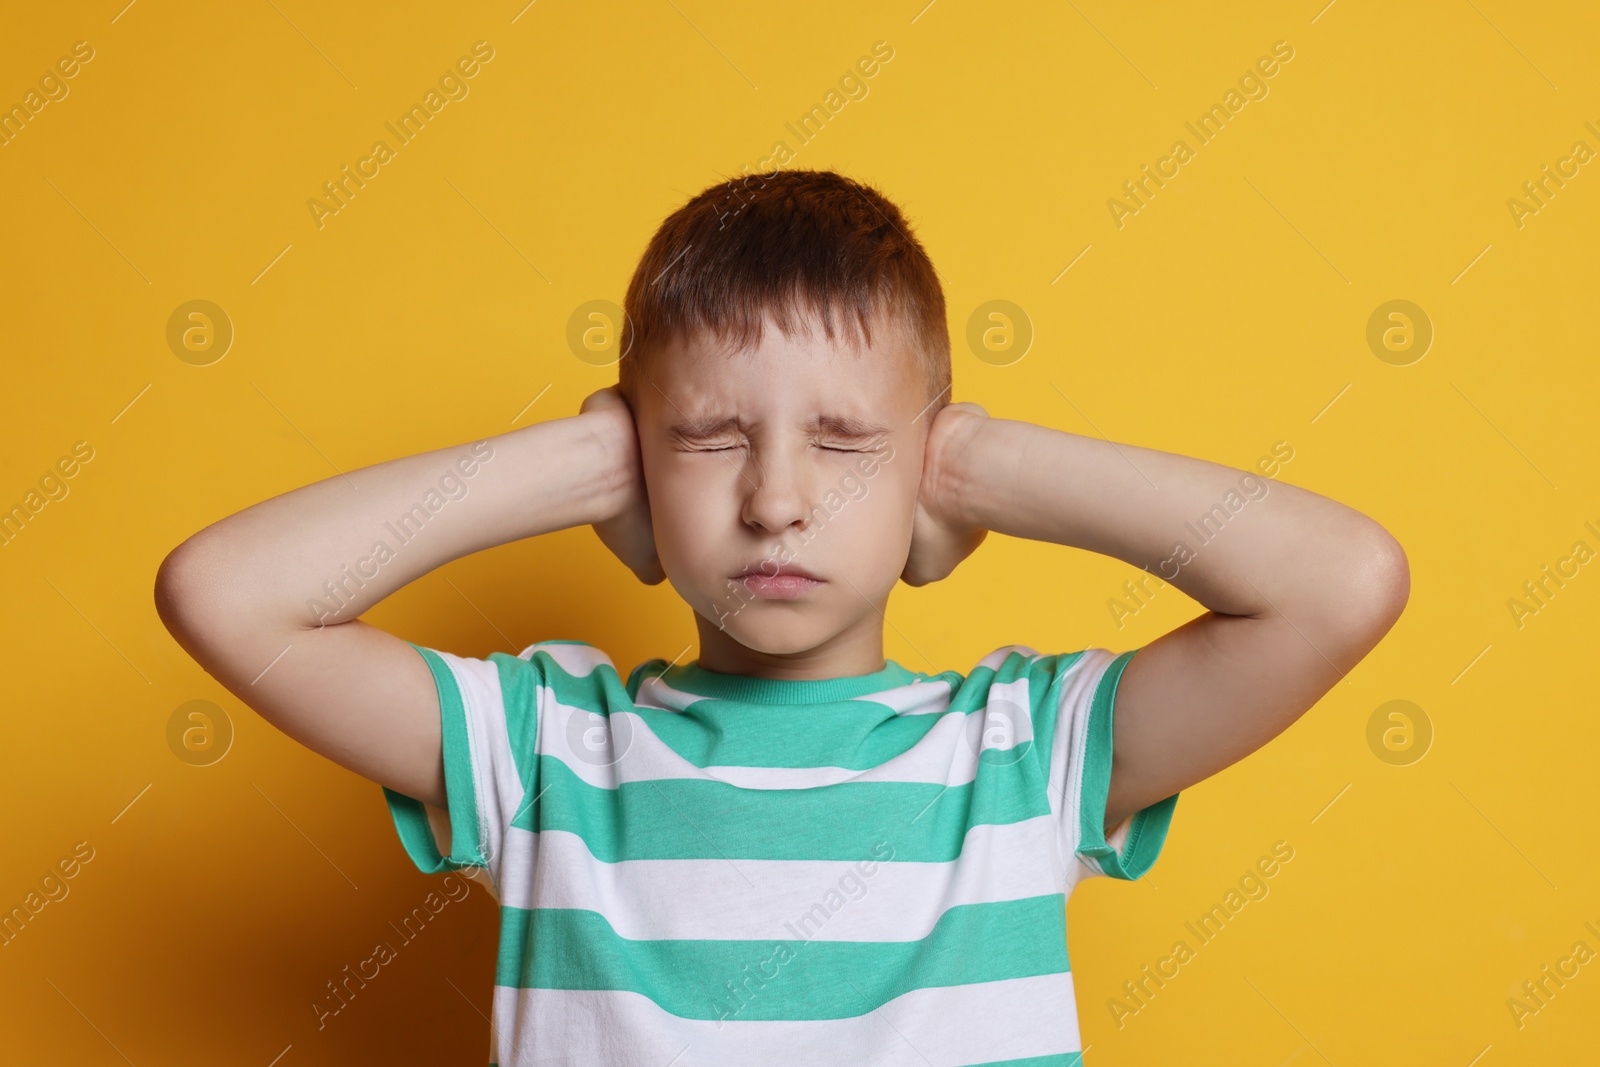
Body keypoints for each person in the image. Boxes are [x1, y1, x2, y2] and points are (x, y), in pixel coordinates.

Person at [154, 168, 1408, 1065]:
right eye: (706, 438)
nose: (776, 500)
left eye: (850, 443)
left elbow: (1339, 579)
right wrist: (586, 463)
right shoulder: (543, 751)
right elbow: (226, 591)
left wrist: (975, 464)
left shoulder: (1023, 754)